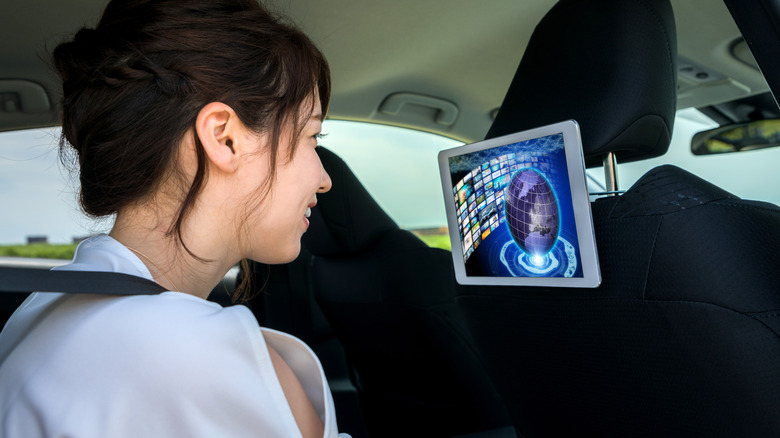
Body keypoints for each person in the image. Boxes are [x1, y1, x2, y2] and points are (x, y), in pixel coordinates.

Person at [0, 0, 348, 437]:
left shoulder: (41, 309)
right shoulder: (196, 356)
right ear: (224, 137)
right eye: (312, 136)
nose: (324, 180)